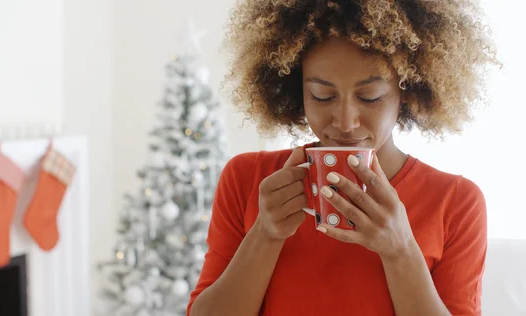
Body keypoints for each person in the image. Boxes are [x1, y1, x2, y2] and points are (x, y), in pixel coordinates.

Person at [188, 1, 498, 315]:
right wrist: (265, 234)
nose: (346, 121)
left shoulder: (456, 202)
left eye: (370, 97)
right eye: (322, 96)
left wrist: (401, 251)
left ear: (407, 90)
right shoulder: (248, 178)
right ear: (299, 90)